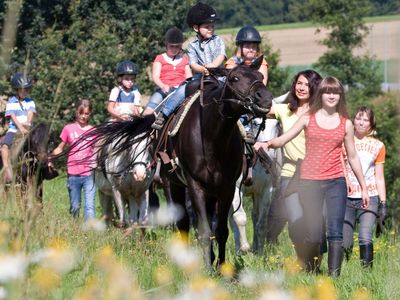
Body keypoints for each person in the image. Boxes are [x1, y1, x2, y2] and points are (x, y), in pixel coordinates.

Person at [255, 76, 369, 277]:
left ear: (340, 96)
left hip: (336, 182)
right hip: (309, 183)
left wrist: (364, 187)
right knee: (314, 233)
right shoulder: (308, 118)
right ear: (321, 94)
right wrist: (266, 143)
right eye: (327, 92)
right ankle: (309, 268)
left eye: (335, 92)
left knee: (335, 232)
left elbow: (352, 156)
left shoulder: (346, 124)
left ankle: (334, 280)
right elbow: (283, 139)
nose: (331, 96)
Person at [258, 70, 322, 247]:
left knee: (315, 223)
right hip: (289, 173)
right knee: (295, 222)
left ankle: (314, 260)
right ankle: (305, 260)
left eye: (307, 85)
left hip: (316, 174)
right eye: (299, 83)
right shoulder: (284, 110)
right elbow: (259, 110)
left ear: (314, 88)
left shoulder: (321, 114)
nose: (301, 88)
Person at [152, 2, 226, 130]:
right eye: (207, 26)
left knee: (232, 91)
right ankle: (164, 114)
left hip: (218, 76)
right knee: (182, 90)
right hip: (200, 77)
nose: (211, 29)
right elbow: (192, 64)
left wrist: (213, 66)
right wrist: (202, 69)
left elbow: (221, 55)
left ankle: (244, 123)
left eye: (212, 26)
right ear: (196, 28)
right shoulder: (192, 45)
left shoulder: (218, 40)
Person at [343, 106, 386, 268]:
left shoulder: (378, 146)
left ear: (371, 124)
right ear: (353, 121)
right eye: (358, 118)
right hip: (347, 196)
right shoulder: (343, 141)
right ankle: (346, 270)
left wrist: (383, 203)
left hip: (370, 196)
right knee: (345, 242)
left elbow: (379, 177)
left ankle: (367, 274)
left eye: (365, 119)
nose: (361, 122)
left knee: (365, 236)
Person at [51, 99, 96, 221]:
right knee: (75, 207)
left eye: (86, 114)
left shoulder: (93, 131)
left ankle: (90, 232)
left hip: (89, 174)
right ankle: (74, 228)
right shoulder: (68, 129)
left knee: (90, 207)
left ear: (90, 114)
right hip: (73, 174)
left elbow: (97, 150)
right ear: (76, 112)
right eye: (81, 113)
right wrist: (49, 158)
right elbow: (60, 148)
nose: (83, 116)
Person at [225, 25, 269, 144]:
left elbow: (262, 83)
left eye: (254, 47)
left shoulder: (261, 62)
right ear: (240, 47)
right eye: (248, 46)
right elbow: (232, 85)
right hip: (240, 98)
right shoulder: (231, 63)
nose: (251, 49)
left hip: (256, 96)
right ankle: (245, 129)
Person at [143, 27, 192, 116]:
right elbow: (155, 77)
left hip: (180, 91)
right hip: (164, 90)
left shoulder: (184, 59)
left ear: (180, 46)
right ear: (166, 44)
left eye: (177, 46)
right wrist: (163, 86)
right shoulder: (160, 58)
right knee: (148, 111)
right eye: (171, 46)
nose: (174, 49)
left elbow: (189, 77)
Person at [1, 73, 36, 183]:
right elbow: (13, 116)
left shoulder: (30, 101)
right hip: (14, 129)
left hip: (27, 128)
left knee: (41, 145)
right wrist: (20, 127)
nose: (25, 92)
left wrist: (28, 123)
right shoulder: (12, 101)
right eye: (22, 90)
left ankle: (47, 166)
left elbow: (30, 113)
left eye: (27, 89)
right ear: (17, 89)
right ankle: (7, 168)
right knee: (5, 146)